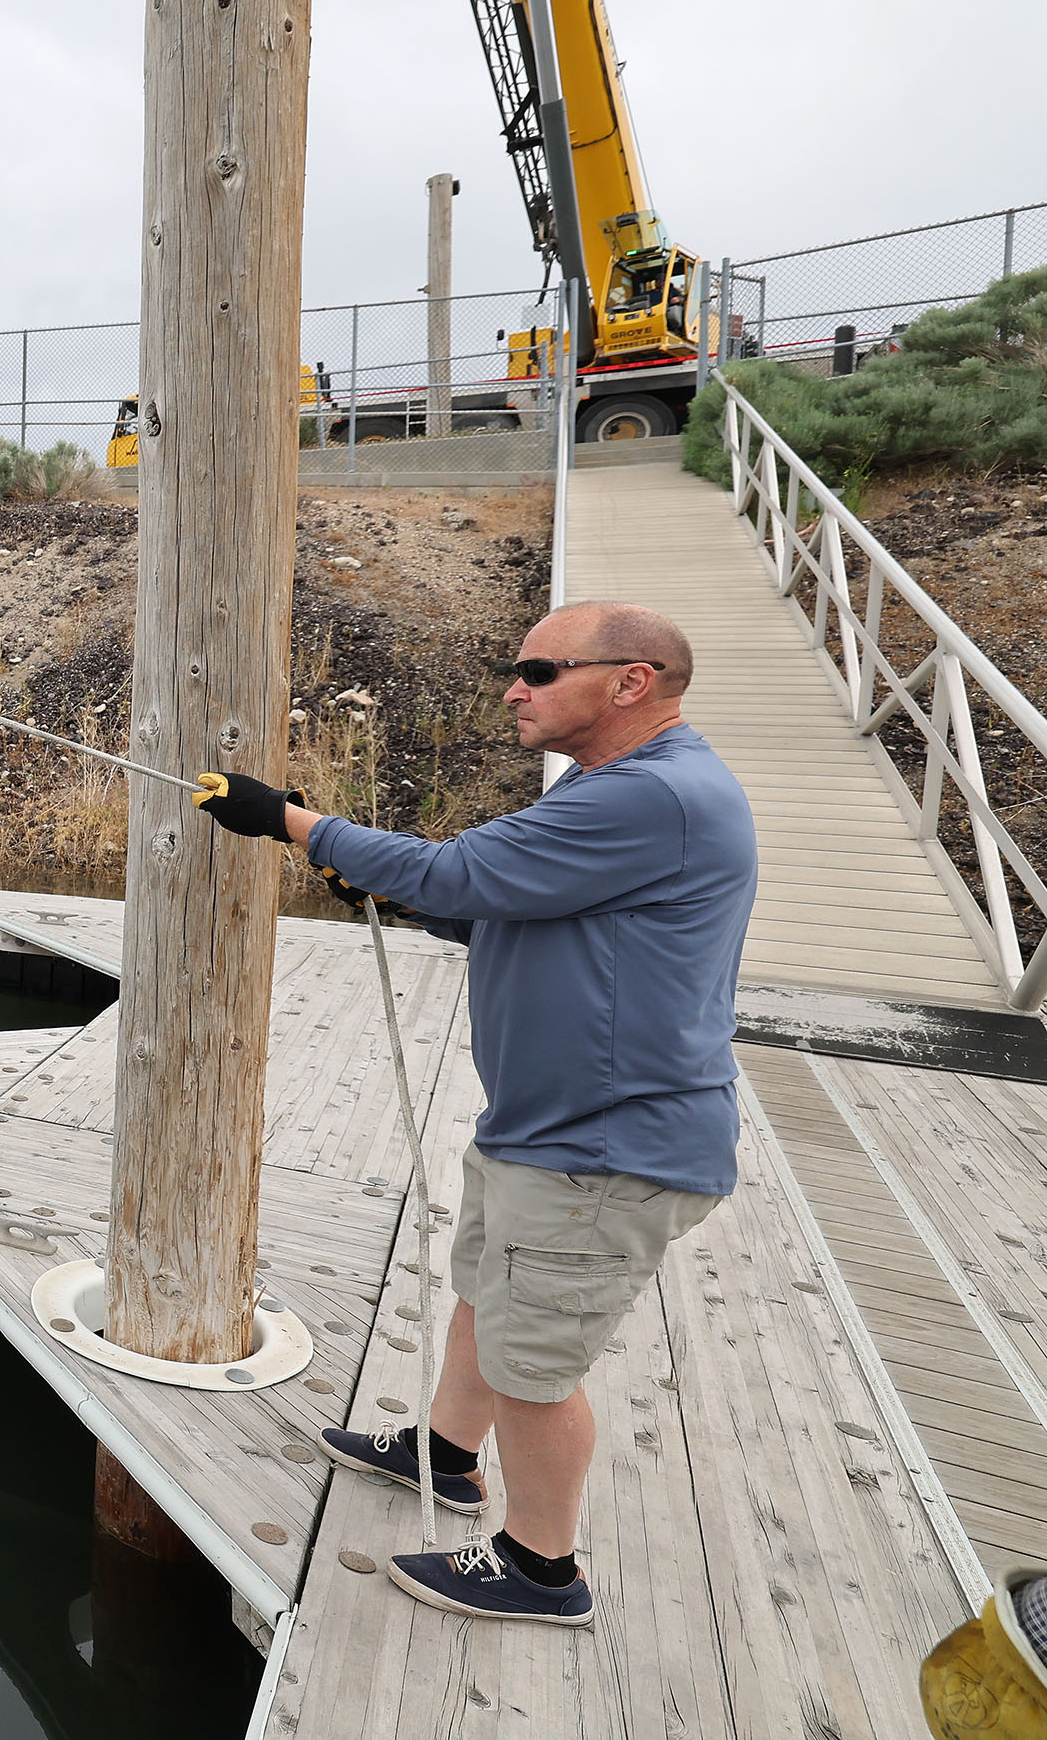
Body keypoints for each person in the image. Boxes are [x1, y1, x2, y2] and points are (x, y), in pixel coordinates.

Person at [191, 600, 756, 1629]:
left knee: (534, 1363)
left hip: (605, 1147)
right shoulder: (621, 790)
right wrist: (381, 880)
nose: (514, 686)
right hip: (546, 1130)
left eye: (540, 668)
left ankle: (543, 1568)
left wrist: (290, 819)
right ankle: (444, 1454)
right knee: (487, 1296)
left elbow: (458, 869)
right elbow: (485, 899)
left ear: (632, 680)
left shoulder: (656, 796)